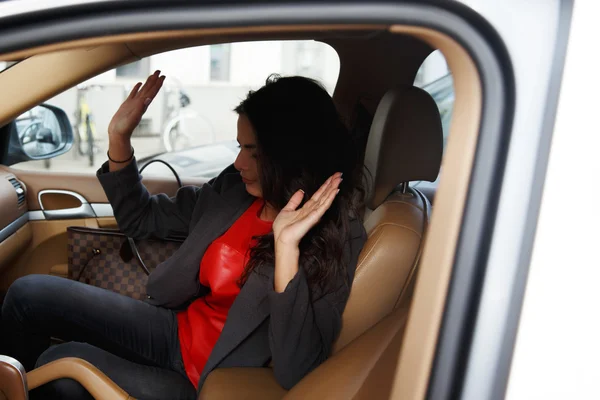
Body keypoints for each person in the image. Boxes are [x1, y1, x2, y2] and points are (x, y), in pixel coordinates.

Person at [1, 71, 367, 400]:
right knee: (26, 294)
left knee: (59, 364)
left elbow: (298, 368)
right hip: (175, 330)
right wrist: (119, 137)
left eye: (253, 152)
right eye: (239, 147)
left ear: (291, 154)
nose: (239, 163)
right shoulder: (233, 191)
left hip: (208, 376)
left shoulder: (335, 235)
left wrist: (286, 248)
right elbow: (141, 218)